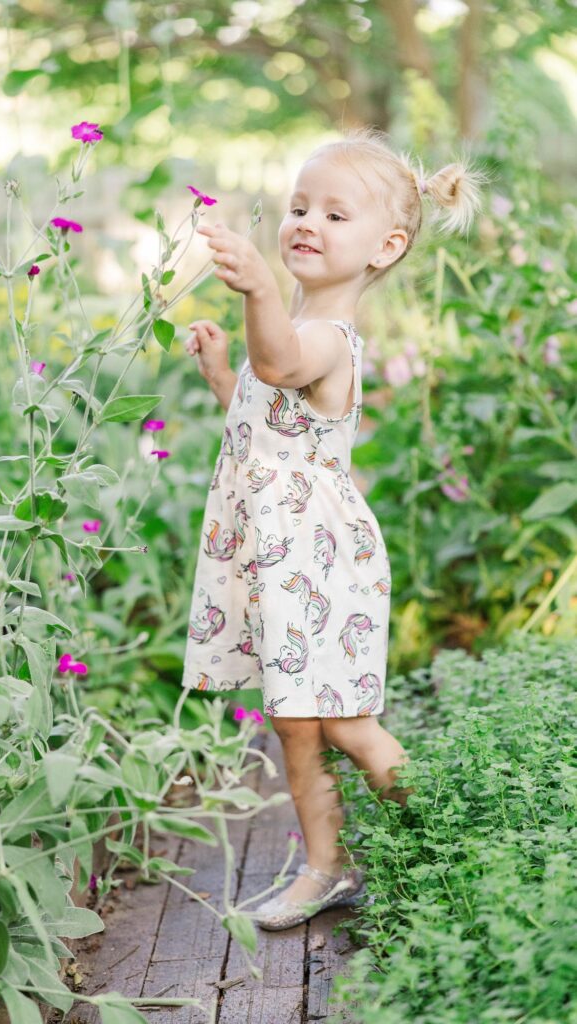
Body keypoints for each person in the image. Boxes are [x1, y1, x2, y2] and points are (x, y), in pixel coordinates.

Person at [177, 125, 486, 930]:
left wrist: (258, 292)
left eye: (335, 215)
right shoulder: (291, 336)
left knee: (345, 719)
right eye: (299, 206)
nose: (307, 222)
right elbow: (270, 430)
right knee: (296, 719)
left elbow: (282, 365)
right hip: (285, 558)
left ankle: (458, 848)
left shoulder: (327, 338)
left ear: (384, 247)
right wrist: (223, 379)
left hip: (317, 566)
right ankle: (328, 865)